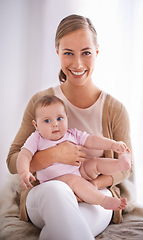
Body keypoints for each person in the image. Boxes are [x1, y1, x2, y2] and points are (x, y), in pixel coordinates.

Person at [6, 14, 133, 240]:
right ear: (57, 50)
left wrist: (90, 186)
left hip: (96, 196)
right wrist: (54, 154)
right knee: (58, 192)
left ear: (97, 51)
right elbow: (13, 160)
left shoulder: (114, 109)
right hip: (46, 192)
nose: (77, 64)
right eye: (68, 53)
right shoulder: (41, 101)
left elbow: (125, 168)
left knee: (63, 230)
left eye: (86, 52)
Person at [17, 95, 131, 211]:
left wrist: (113, 145)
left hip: (78, 171)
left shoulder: (72, 134)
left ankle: (119, 165)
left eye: (60, 118)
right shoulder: (36, 138)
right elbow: (24, 155)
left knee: (93, 163)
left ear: (67, 118)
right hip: (54, 181)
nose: (55, 124)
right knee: (73, 180)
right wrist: (23, 172)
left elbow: (92, 140)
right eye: (47, 121)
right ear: (36, 125)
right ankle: (103, 200)